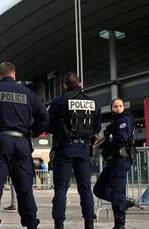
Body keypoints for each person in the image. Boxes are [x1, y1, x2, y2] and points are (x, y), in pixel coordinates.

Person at [0, 62, 49, 229]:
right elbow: (44, 117)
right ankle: (31, 223)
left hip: (0, 142)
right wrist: (32, 132)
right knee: (25, 189)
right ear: (14, 75)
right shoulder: (28, 93)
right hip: (22, 143)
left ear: (0, 75)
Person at [48, 72, 101, 229]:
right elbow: (97, 126)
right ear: (80, 83)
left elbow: (49, 123)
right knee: (85, 189)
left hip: (64, 148)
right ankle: (89, 223)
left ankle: (59, 223)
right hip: (84, 149)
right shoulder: (92, 102)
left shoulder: (60, 100)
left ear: (64, 85)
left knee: (61, 188)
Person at [93, 98, 136, 229]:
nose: (118, 108)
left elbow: (122, 139)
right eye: (115, 106)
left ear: (124, 107)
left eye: (120, 106)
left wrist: (109, 145)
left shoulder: (124, 120)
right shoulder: (114, 122)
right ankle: (123, 201)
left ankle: (120, 225)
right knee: (98, 189)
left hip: (120, 161)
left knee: (118, 194)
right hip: (112, 162)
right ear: (111, 108)